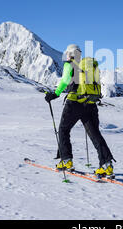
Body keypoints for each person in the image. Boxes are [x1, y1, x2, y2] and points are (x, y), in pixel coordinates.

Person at [45, 44, 115, 178]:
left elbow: (65, 80)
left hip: (74, 103)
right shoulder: (88, 66)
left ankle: (66, 161)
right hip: (90, 103)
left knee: (64, 130)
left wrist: (55, 94)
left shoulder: (70, 64)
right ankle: (106, 165)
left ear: (70, 54)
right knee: (95, 134)